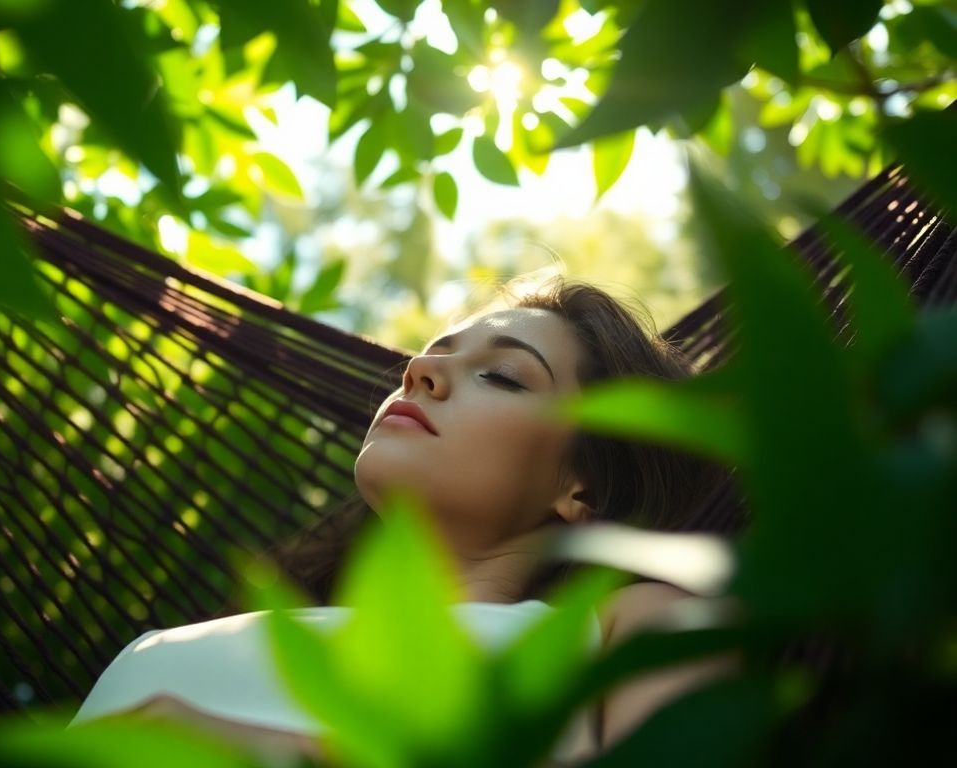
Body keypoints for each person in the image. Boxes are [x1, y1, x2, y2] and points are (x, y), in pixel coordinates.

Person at [69, 279, 735, 765]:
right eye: (432, 354)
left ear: (579, 483)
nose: (420, 370)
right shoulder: (226, 634)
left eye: (503, 376)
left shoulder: (630, 622)